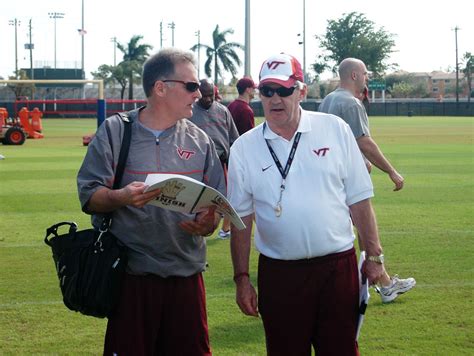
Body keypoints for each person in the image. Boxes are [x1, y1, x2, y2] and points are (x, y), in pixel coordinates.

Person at [227, 53, 387, 355]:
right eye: (267, 91)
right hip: (279, 274)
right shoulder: (244, 148)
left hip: (336, 268)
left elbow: (359, 199)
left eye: (284, 90)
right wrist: (241, 279)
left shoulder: (335, 129)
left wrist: (375, 256)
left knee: (340, 349)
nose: (275, 99)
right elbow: (241, 219)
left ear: (301, 91)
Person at [77, 48, 225, 356]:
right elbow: (90, 196)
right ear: (160, 88)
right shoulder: (117, 131)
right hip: (131, 278)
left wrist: (208, 223)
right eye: (191, 86)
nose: (198, 93)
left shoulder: (200, 141)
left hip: (186, 277)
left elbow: (215, 208)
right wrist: (122, 197)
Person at [318, 57, 416, 303]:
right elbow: (364, 141)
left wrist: (361, 159)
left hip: (327, 177)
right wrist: (392, 171)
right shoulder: (351, 103)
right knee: (365, 226)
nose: (367, 78)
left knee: (351, 229)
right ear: (353, 75)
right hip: (346, 180)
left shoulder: (328, 100)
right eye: (364, 74)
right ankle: (382, 284)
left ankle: (380, 281)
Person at [190, 79, 239, 239]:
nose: (208, 99)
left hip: (222, 161)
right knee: (200, 201)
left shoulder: (223, 111)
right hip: (200, 163)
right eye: (205, 96)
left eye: (211, 95)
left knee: (227, 197)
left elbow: (234, 138)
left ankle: (226, 228)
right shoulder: (191, 113)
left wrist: (234, 159)